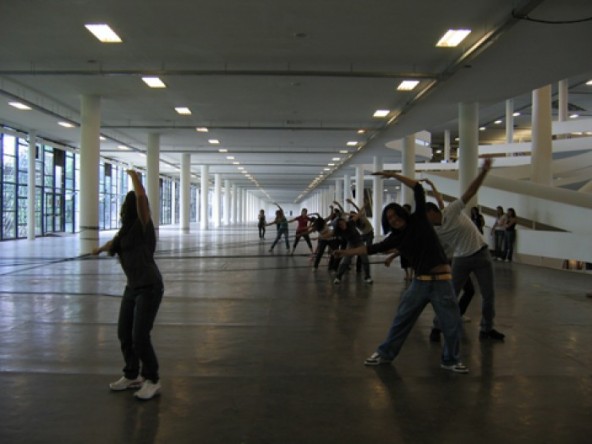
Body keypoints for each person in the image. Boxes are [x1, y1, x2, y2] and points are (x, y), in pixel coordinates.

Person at [334, 171, 468, 374]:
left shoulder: (419, 219)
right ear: (387, 223)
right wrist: (345, 252)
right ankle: (385, 354)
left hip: (442, 282)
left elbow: (418, 188)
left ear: (401, 213)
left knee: (451, 324)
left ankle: (451, 360)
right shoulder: (395, 238)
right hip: (420, 283)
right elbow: (369, 249)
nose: (394, 219)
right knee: (402, 319)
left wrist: (393, 174)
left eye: (395, 214)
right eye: (389, 218)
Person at [92, 170, 164, 400]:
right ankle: (132, 375)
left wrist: (135, 179)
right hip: (132, 287)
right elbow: (113, 243)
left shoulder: (143, 226)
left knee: (140, 336)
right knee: (124, 333)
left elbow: (141, 199)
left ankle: (152, 379)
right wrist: (99, 249)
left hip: (150, 287)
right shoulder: (125, 232)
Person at [423, 158, 505, 342]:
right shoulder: (434, 231)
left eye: (426, 217)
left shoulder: (451, 210)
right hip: (461, 259)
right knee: (450, 295)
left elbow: (470, 191)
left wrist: (484, 171)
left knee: (488, 295)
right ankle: (437, 327)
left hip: (481, 253)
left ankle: (487, 329)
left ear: (433, 212)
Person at [332, 217, 373, 285]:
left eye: (343, 223)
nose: (342, 225)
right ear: (338, 226)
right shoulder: (338, 231)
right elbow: (329, 234)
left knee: (365, 259)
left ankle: (367, 277)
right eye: (340, 225)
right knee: (346, 260)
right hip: (351, 244)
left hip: (359, 242)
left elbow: (358, 215)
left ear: (345, 222)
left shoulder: (350, 223)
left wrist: (362, 210)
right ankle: (338, 277)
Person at [345, 198, 375, 273]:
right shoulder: (354, 222)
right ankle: (356, 266)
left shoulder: (361, 217)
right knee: (360, 250)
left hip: (369, 234)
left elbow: (358, 209)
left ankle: (361, 266)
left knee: (367, 250)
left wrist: (351, 202)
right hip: (363, 235)